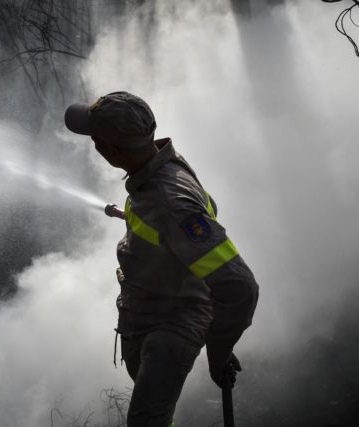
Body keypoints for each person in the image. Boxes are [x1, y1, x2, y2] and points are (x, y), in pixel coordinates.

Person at [64, 92, 259, 427]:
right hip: (146, 310)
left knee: (145, 422)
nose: (93, 143)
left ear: (109, 151)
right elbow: (171, 230)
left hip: (174, 320)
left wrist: (219, 351)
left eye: (94, 138)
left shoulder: (171, 202)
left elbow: (240, 288)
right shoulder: (159, 164)